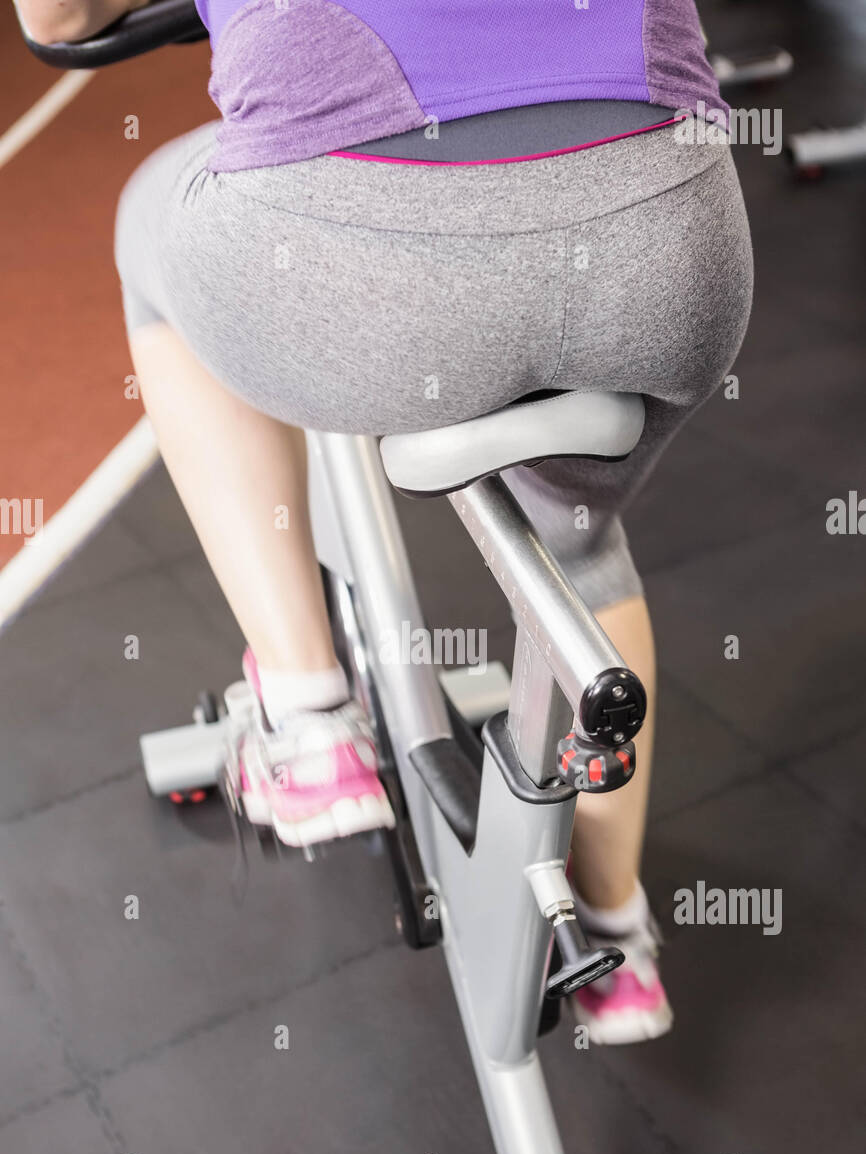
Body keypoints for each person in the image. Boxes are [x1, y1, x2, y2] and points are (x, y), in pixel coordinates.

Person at [18, 0, 753, 1043]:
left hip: (361, 263)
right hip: (671, 240)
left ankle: (311, 720)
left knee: (153, 220)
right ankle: (618, 947)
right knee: (577, 537)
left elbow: (62, 16)